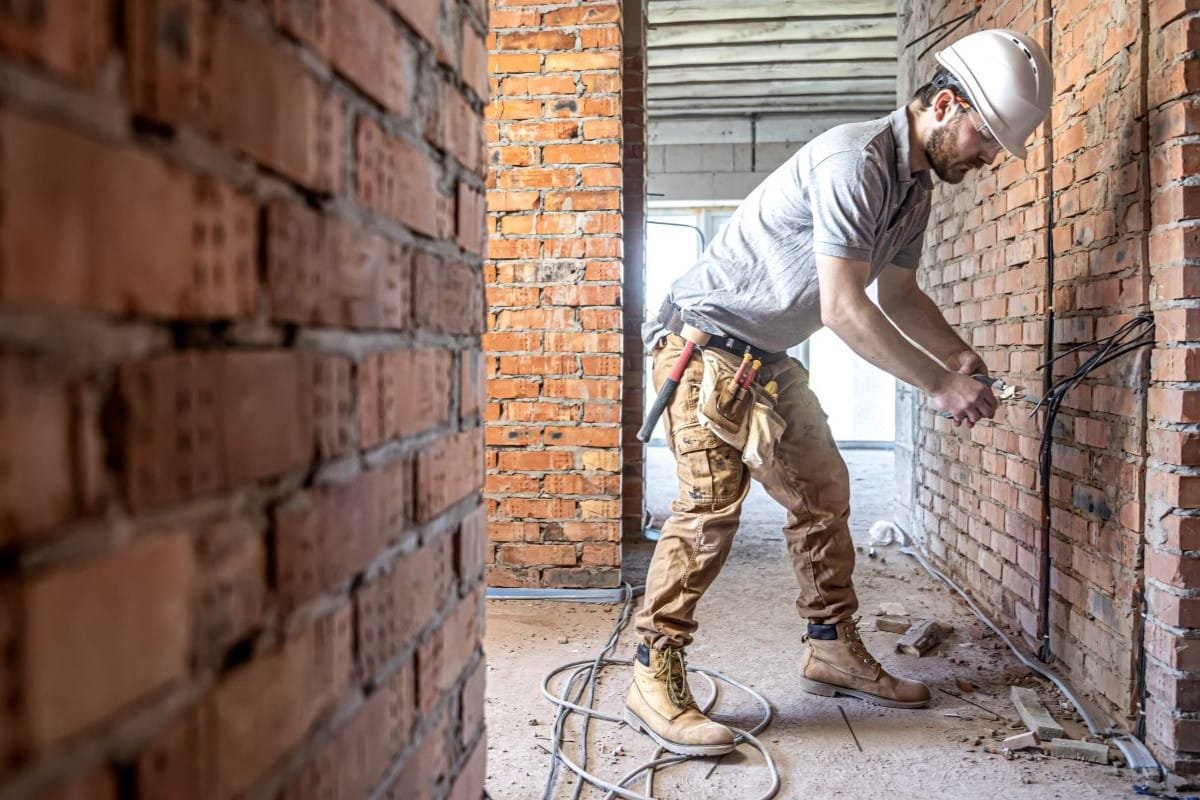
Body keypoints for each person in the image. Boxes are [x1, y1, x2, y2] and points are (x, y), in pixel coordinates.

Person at [625, 29, 1055, 756]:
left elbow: (900, 291)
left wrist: (953, 351)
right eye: (986, 139)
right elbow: (844, 309)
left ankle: (829, 647)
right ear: (945, 105)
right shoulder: (855, 161)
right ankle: (652, 668)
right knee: (708, 507)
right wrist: (940, 386)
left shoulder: (913, 187)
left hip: (763, 352)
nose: (988, 159)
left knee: (822, 490)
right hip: (703, 342)